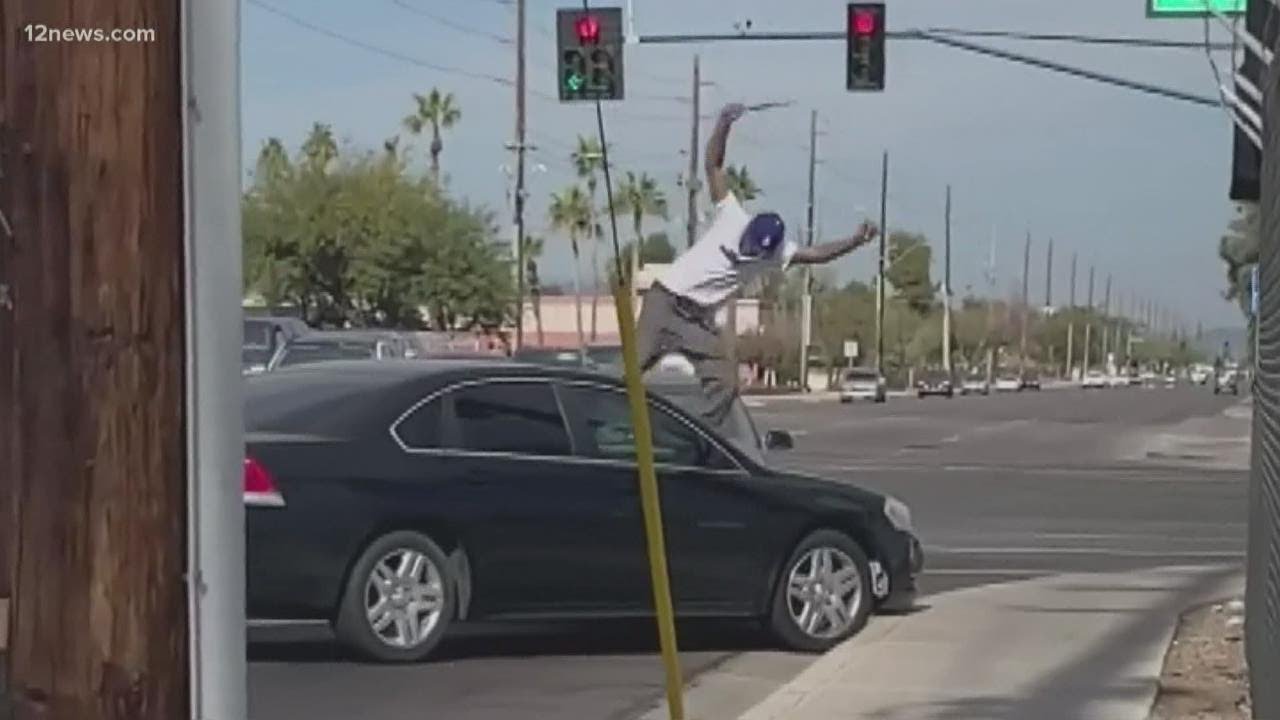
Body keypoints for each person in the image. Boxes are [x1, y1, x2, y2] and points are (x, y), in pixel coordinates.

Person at [636, 102, 880, 426]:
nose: (746, 255)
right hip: (664, 302)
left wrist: (855, 241)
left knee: (725, 383)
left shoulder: (778, 253)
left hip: (697, 323)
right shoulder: (731, 215)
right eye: (746, 248)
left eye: (755, 255)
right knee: (628, 370)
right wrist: (723, 124)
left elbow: (817, 254)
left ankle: (694, 435)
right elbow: (713, 165)